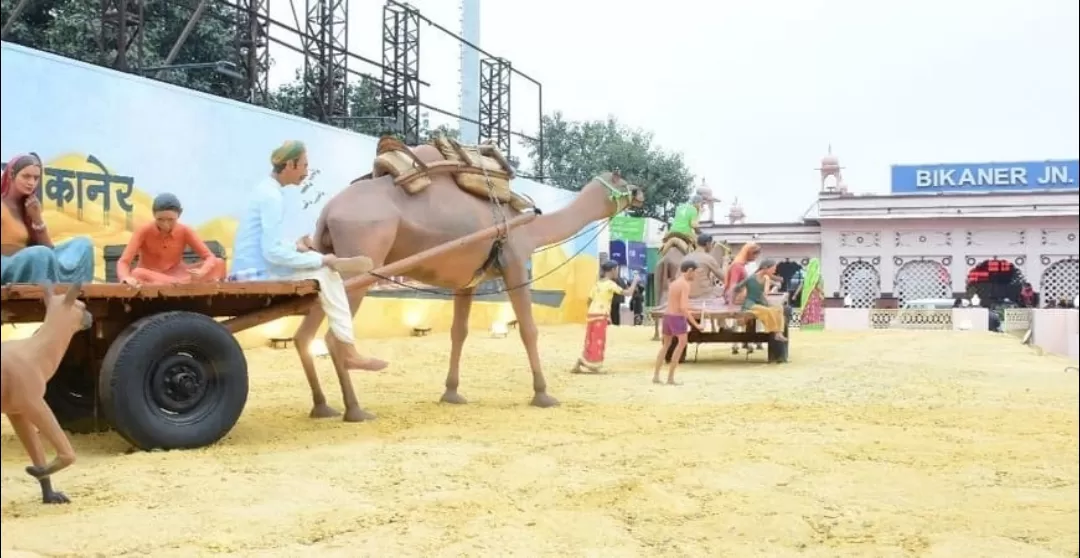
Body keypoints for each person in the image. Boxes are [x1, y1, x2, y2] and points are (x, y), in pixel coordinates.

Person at [230, 140, 386, 371]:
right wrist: (321, 259)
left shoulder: (266, 190)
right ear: (290, 164)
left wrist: (296, 247)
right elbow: (271, 252)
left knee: (327, 272)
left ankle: (347, 347)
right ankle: (348, 350)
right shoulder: (271, 197)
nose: (306, 171)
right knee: (327, 274)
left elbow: (267, 243)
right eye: (303, 165)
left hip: (255, 265)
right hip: (257, 271)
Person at [1, 153, 95, 285]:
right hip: (7, 265)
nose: (31, 183)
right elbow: (43, 252)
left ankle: (74, 294)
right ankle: (49, 298)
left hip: (35, 259)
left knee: (83, 244)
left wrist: (37, 219)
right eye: (26, 176)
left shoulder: (30, 206)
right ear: (11, 174)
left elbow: (49, 249)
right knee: (40, 254)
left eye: (36, 178)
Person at [116, 193, 227, 286]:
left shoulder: (185, 230)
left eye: (170, 220)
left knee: (219, 263)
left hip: (178, 275)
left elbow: (209, 257)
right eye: (160, 219)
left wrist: (202, 271)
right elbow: (124, 261)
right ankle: (180, 285)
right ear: (154, 214)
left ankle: (179, 284)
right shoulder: (144, 230)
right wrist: (125, 277)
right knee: (137, 273)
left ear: (179, 214)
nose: (165, 225)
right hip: (150, 275)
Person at [572, 260, 639, 374]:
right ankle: (594, 365)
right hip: (600, 314)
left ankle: (583, 360)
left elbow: (589, 300)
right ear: (612, 270)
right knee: (599, 340)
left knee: (590, 339)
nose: (617, 272)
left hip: (592, 313)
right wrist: (635, 282)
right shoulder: (610, 284)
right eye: (616, 270)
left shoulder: (597, 284)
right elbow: (627, 293)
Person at [653, 260, 701, 385]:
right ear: (690, 270)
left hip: (668, 316)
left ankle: (656, 376)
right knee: (681, 344)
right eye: (695, 272)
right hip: (677, 318)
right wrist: (696, 325)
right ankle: (670, 378)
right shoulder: (685, 284)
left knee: (665, 346)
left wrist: (697, 309)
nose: (695, 275)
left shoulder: (674, 283)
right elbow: (683, 308)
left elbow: (677, 304)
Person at [732, 258, 787, 342]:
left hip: (759, 303)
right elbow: (736, 288)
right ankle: (776, 332)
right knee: (767, 311)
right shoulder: (751, 278)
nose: (774, 271)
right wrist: (737, 298)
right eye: (773, 269)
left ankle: (779, 333)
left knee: (779, 308)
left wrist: (768, 303)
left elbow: (761, 294)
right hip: (750, 304)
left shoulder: (765, 279)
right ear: (765, 268)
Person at [683, 232, 726, 299]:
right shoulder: (708, 258)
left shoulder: (685, 257)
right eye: (711, 244)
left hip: (685, 293)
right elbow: (723, 277)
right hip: (702, 294)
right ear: (707, 244)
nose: (712, 246)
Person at [794, 258, 824, 330]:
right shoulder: (818, 276)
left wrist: (795, 294)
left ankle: (805, 321)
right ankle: (813, 321)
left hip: (805, 295)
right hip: (815, 295)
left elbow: (801, 285)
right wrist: (822, 293)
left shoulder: (806, 275)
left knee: (806, 307)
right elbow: (818, 287)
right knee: (814, 308)